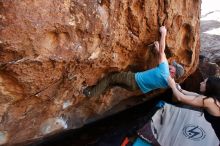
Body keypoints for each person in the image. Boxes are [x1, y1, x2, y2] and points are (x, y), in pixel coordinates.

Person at [83, 26, 184, 97]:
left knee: (110, 78)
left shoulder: (165, 71)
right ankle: (92, 91)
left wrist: (163, 33)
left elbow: (162, 52)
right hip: (135, 87)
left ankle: (91, 93)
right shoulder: (168, 82)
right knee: (113, 83)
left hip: (132, 79)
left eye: (173, 66)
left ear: (173, 72)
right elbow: (161, 57)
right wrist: (157, 50)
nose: (171, 64)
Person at [168, 75, 220, 140]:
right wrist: (180, 90)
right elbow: (196, 95)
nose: (201, 83)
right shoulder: (213, 99)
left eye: (204, 82)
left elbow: (180, 98)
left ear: (209, 87)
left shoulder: (209, 101)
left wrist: (172, 85)